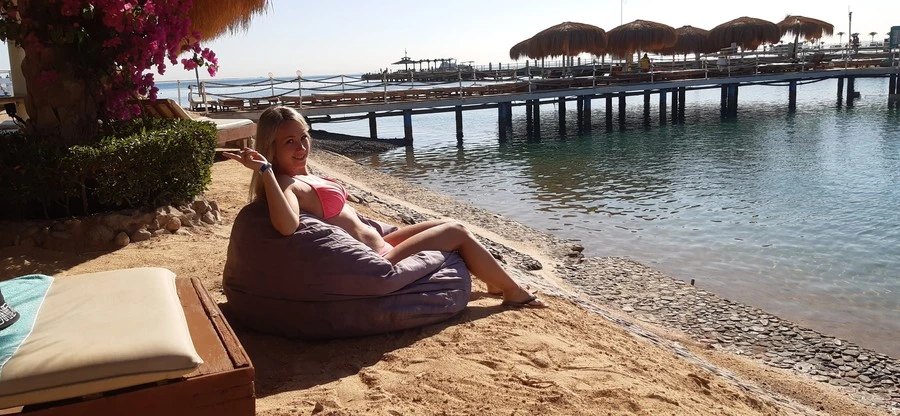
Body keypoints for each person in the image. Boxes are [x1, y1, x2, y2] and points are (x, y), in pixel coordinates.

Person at [224, 106, 545, 308]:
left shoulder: (304, 174)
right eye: (289, 142)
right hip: (377, 260)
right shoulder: (287, 183)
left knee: (444, 222)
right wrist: (266, 171)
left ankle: (494, 281)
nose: (302, 147)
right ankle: (513, 291)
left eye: (304, 137)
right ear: (271, 148)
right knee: (457, 231)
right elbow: (287, 226)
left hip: (382, 243)